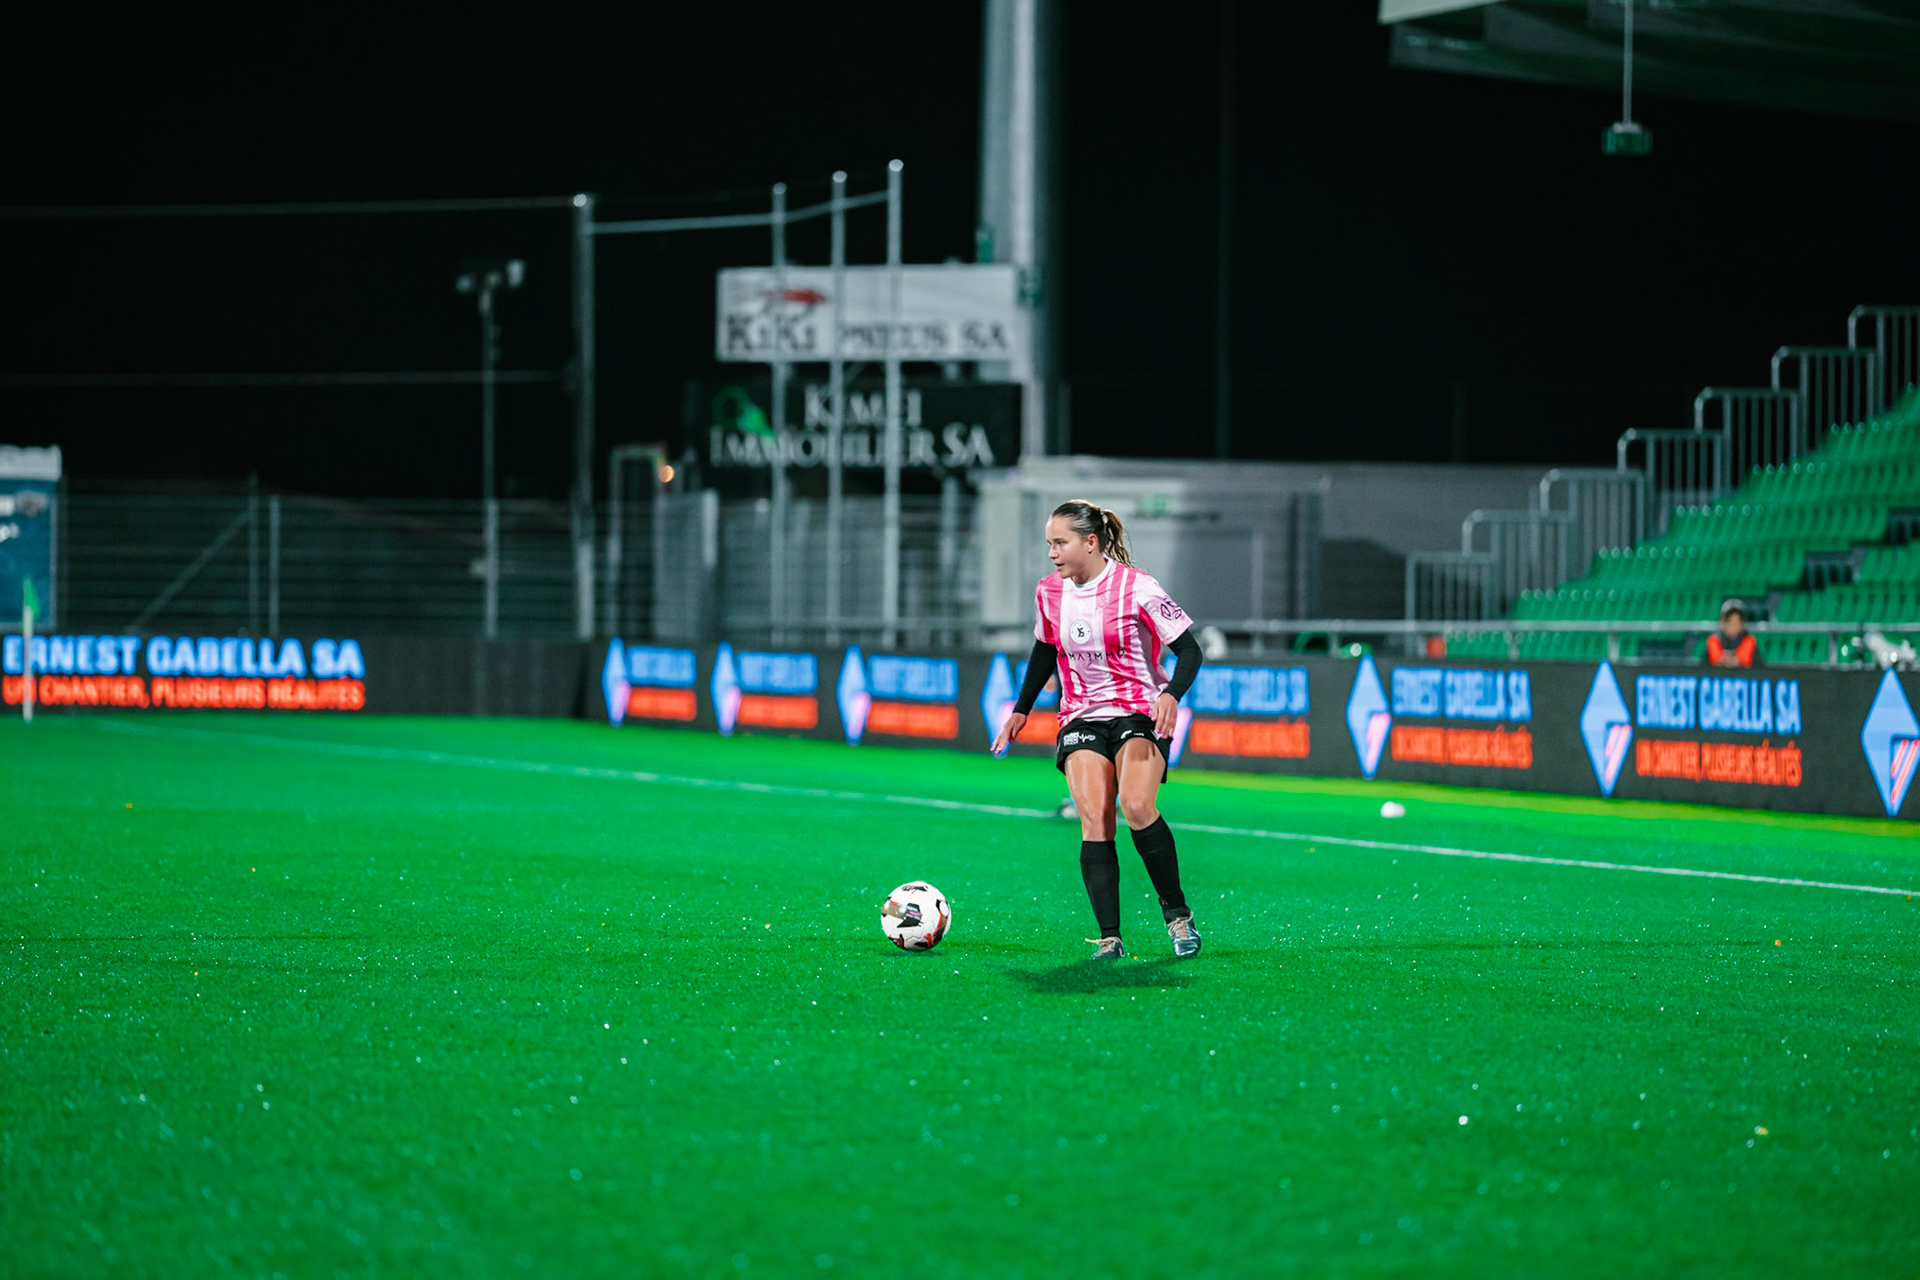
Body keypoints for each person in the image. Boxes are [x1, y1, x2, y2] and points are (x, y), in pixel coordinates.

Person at [989, 499, 1207, 959]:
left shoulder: (1137, 587)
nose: (1052, 553)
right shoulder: (1049, 593)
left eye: (1060, 543)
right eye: (1049, 544)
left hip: (1137, 714)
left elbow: (1190, 650)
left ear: (1091, 542)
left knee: (1137, 805)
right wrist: (1021, 709)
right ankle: (1110, 939)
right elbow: (1045, 650)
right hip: (1081, 716)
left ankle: (1178, 918)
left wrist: (1171, 695)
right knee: (1095, 818)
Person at [1703, 598, 1760, 668]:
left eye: (1737, 621)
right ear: (1722, 621)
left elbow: (1753, 666)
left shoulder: (1749, 640)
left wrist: (1735, 661)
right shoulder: (1714, 640)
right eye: (1729, 620)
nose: (1733, 625)